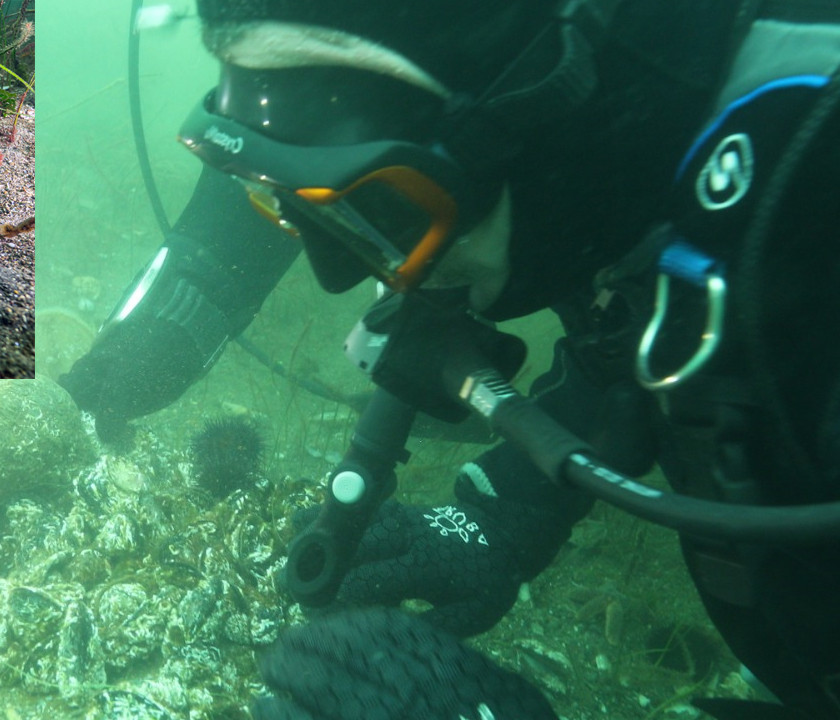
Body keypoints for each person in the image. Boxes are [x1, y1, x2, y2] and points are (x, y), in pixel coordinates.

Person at [60, 0, 840, 717]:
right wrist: (503, 515)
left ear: (556, 111)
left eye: (386, 209)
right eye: (288, 200)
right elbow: (643, 322)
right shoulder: (636, 156)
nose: (343, 277)